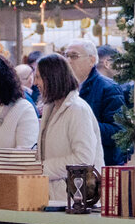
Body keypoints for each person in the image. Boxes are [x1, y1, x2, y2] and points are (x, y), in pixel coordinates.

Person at [33, 54, 101, 209]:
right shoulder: (50, 108)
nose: (35, 83)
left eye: (38, 77)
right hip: (54, 198)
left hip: (76, 201)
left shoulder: (78, 110)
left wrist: (43, 168)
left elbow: (83, 158)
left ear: (53, 78)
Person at [62, 39, 127, 166]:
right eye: (66, 56)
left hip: (100, 166)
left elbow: (118, 132)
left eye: (74, 56)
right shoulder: (64, 88)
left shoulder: (108, 88)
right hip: (70, 163)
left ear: (92, 60)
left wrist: (83, 124)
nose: (68, 61)